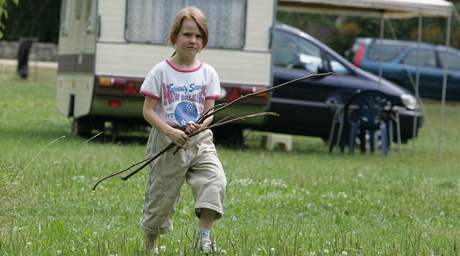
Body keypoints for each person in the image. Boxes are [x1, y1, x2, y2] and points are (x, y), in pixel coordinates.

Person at [139, 6, 227, 253]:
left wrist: (201, 125)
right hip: (168, 141)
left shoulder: (208, 73)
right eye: (188, 34)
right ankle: (150, 246)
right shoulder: (161, 72)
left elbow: (209, 111)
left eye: (199, 36)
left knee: (215, 180)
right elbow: (147, 111)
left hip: (199, 140)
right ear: (174, 37)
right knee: (161, 198)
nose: (193, 41)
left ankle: (204, 237)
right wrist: (169, 131)